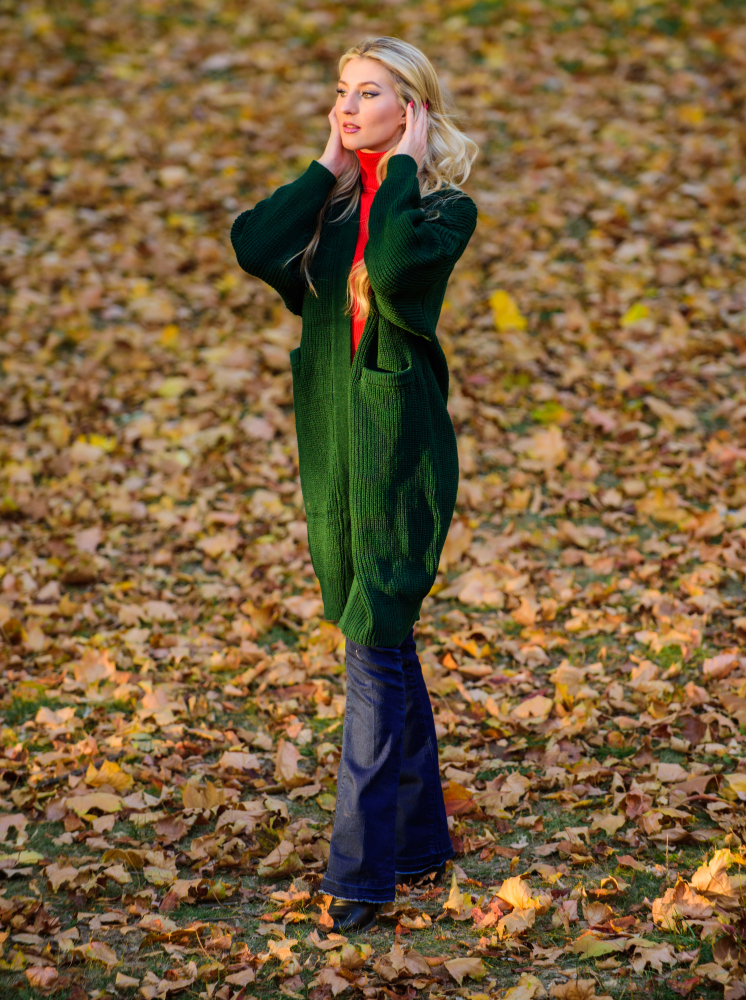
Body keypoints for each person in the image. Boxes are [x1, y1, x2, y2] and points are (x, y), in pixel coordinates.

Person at [230, 36, 479, 932]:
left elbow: (406, 266)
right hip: (334, 448)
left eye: (368, 94)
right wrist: (327, 165)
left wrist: (403, 170)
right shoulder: (330, 214)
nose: (347, 105)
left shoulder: (444, 210)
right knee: (376, 633)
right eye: (340, 91)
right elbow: (254, 245)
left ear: (410, 109)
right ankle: (419, 843)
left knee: (374, 640)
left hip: (399, 454)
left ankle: (361, 876)